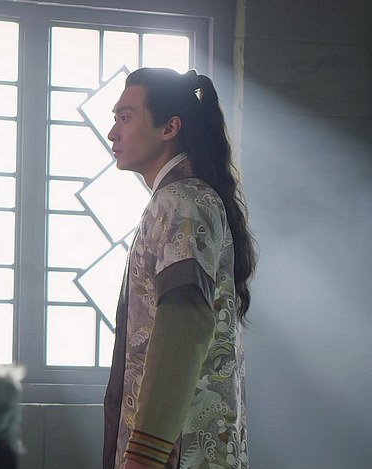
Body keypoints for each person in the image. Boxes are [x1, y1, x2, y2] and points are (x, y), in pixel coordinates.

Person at [103, 68, 257, 469]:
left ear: (170, 127)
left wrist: (144, 454)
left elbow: (185, 319)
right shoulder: (184, 198)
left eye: (125, 117)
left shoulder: (181, 202)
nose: (113, 133)